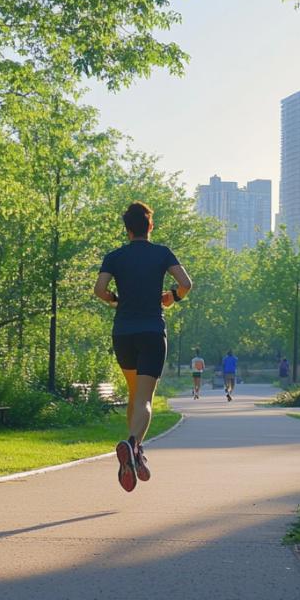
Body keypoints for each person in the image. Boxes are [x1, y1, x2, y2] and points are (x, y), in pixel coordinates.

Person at [94, 201, 192, 493]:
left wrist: (115, 300)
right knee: (145, 400)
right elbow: (186, 283)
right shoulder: (162, 253)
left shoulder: (114, 257)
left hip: (123, 333)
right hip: (151, 332)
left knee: (134, 395)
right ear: (150, 226)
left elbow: (99, 290)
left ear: (127, 230)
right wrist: (172, 295)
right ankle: (133, 444)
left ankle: (134, 449)